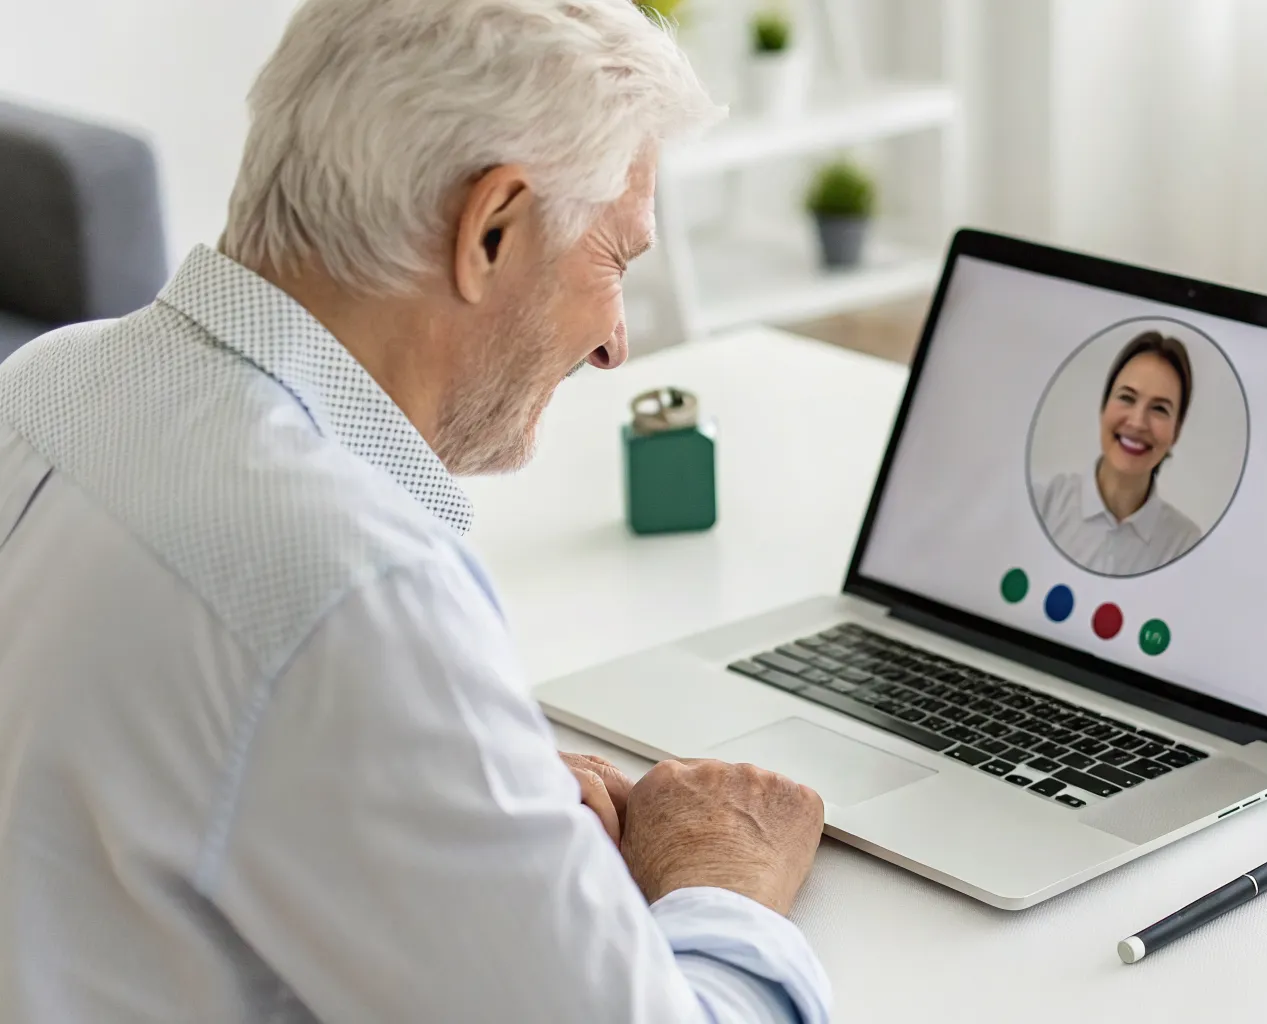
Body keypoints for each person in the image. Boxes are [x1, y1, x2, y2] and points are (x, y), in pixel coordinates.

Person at [0, 2, 830, 1021]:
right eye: (615, 259)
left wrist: (449, 789)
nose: (618, 343)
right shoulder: (352, 593)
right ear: (491, 228)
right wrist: (724, 881)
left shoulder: (45, 384)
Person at [1034, 331, 1206, 576]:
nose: (1137, 423)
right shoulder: (1043, 503)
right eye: (1127, 397)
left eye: (1159, 409)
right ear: (1103, 408)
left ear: (1176, 432)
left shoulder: (1185, 545)